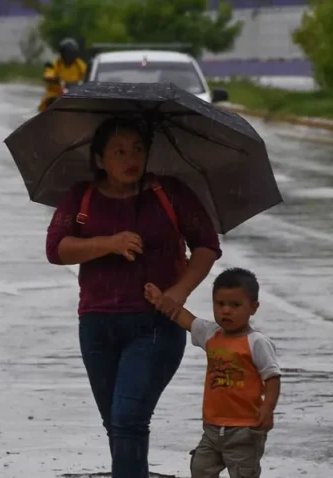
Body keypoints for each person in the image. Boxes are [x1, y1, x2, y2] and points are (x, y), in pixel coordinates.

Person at [45, 116, 221, 477]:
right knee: (118, 422)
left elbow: (207, 244)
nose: (131, 159)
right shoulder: (82, 196)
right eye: (119, 151)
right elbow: (56, 249)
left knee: (127, 418)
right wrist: (108, 243)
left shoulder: (168, 192)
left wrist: (179, 291)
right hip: (96, 325)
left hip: (155, 326)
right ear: (99, 160)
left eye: (138, 149)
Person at [144, 268, 282, 478]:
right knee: (200, 468)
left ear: (253, 308)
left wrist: (268, 408)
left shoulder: (256, 342)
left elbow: (272, 376)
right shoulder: (210, 334)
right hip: (212, 427)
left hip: (245, 430)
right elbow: (182, 316)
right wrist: (160, 300)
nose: (226, 311)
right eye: (220, 304)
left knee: (244, 472)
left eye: (235, 305)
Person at [38, 38, 87, 112]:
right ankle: (46, 118)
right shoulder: (56, 63)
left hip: (75, 93)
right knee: (48, 101)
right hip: (56, 93)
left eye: (71, 53)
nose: (69, 56)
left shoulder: (79, 64)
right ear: (62, 53)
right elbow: (49, 72)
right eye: (67, 53)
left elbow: (86, 73)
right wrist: (52, 78)